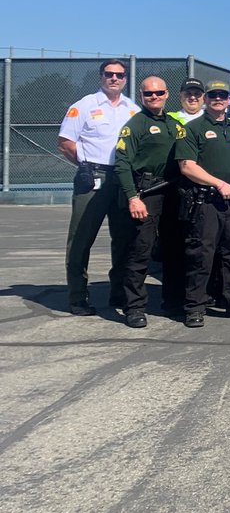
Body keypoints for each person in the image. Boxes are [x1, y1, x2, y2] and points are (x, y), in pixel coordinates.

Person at [175, 81, 230, 328]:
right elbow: (187, 166)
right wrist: (219, 184)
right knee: (201, 255)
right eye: (213, 95)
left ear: (228, 99)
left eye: (222, 95)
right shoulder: (192, 129)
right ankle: (194, 307)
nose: (218, 99)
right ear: (205, 98)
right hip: (206, 202)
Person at [58, 59, 139, 315]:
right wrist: (84, 166)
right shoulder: (84, 106)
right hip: (93, 177)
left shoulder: (133, 110)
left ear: (126, 78)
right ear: (101, 76)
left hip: (123, 178)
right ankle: (78, 297)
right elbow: (65, 142)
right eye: (109, 74)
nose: (114, 78)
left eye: (119, 75)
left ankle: (119, 293)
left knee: (124, 240)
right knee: (81, 238)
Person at [113, 75, 187, 327]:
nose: (154, 97)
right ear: (141, 96)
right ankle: (134, 306)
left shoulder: (174, 124)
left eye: (159, 93)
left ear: (167, 94)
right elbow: (122, 164)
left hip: (173, 191)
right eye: (148, 94)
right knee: (141, 250)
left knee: (174, 248)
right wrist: (133, 197)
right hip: (147, 192)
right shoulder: (135, 124)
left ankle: (173, 301)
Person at [161, 77, 206, 314]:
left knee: (203, 249)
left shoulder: (213, 120)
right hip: (176, 191)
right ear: (180, 96)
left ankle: (201, 296)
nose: (193, 97)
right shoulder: (171, 120)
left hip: (206, 192)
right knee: (175, 247)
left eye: (197, 94)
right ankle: (172, 299)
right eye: (189, 93)